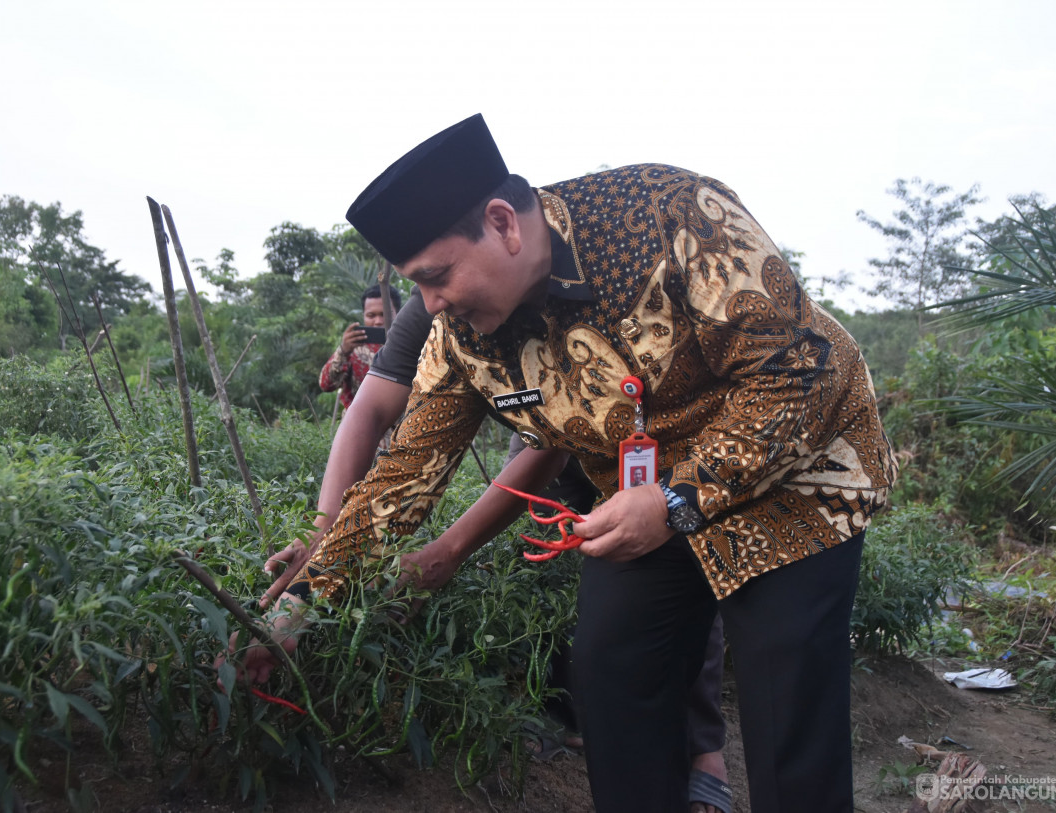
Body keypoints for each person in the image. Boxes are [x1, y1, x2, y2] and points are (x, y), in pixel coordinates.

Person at [236, 114, 897, 812]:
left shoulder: (675, 216)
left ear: (503, 223)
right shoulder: (459, 335)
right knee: (612, 674)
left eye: (436, 276)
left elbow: (797, 373)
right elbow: (405, 471)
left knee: (785, 691)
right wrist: (304, 605)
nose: (430, 304)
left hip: (793, 471)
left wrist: (678, 498)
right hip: (638, 496)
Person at [267, 288, 732, 811]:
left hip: (639, 430)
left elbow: (556, 448)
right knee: (547, 561)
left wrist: (449, 550)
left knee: (682, 569)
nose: (437, 293)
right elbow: (373, 414)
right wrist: (323, 539)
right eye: (422, 276)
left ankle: (704, 748)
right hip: (542, 431)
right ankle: (567, 715)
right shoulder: (437, 297)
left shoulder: (562, 273)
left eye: (441, 273)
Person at [318, 284, 402, 410]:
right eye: (371, 315)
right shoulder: (352, 348)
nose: (378, 321)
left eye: (384, 314)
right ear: (364, 316)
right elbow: (326, 385)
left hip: (405, 427)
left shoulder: (413, 345)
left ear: (398, 313)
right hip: (359, 426)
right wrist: (343, 351)